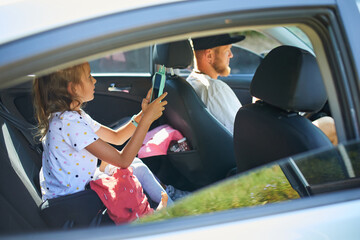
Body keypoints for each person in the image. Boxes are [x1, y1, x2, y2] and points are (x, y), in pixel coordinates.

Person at [33, 62, 171, 223]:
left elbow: (117, 137)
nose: (95, 81)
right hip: (74, 202)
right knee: (128, 178)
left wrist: (142, 115)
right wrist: (147, 121)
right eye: (89, 77)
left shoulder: (75, 115)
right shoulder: (68, 123)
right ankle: (153, 219)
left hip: (83, 185)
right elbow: (122, 160)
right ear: (74, 89)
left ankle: (170, 203)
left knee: (136, 165)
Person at [187, 34, 338, 145]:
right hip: (263, 155)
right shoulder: (215, 90)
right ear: (209, 56)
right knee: (329, 124)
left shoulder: (191, 84)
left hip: (247, 148)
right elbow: (244, 134)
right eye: (227, 50)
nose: (231, 55)